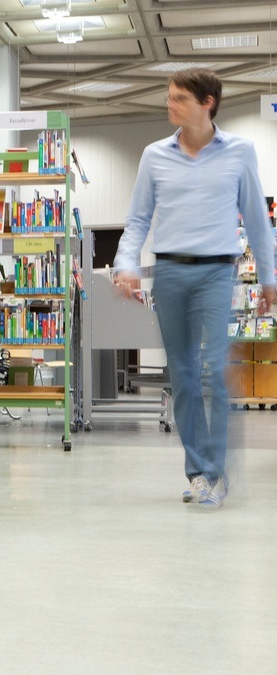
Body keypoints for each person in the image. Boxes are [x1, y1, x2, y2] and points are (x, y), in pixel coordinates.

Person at [113, 68, 275, 510]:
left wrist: (269, 277)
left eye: (179, 98)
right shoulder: (153, 155)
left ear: (208, 104)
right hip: (169, 273)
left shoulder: (240, 152)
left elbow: (257, 220)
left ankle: (215, 473)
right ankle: (199, 472)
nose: (170, 104)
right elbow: (138, 220)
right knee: (182, 378)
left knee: (217, 374)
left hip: (217, 274)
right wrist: (125, 265)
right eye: (169, 96)